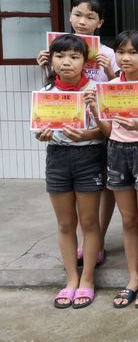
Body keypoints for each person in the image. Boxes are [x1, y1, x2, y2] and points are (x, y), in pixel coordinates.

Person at [85, 31, 138, 309]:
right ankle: (133, 277)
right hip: (117, 152)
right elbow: (109, 131)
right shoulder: (110, 87)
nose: (126, 58)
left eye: (133, 52)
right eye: (121, 52)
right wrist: (95, 110)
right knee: (128, 220)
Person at [36, 0, 116, 267]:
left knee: (103, 189)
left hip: (98, 129)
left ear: (100, 22)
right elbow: (50, 95)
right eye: (78, 15)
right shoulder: (58, 48)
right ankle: (87, 245)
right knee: (73, 210)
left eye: (90, 17)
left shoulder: (108, 53)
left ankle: (97, 241)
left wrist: (110, 71)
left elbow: (119, 89)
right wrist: (45, 64)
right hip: (66, 141)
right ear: (69, 16)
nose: (83, 21)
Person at [35, 34, 104, 309]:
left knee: (89, 222)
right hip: (58, 157)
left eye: (74, 57)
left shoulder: (97, 90)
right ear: (51, 60)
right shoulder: (46, 93)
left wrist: (88, 133)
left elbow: (108, 129)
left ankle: (88, 278)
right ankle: (71, 279)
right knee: (65, 223)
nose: (67, 62)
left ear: (85, 62)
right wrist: (42, 135)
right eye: (60, 56)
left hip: (90, 156)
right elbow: (40, 129)